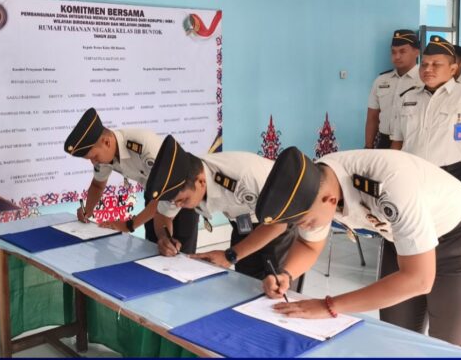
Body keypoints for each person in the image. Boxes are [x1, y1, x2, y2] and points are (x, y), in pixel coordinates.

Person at [255, 146, 461, 351]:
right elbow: (308, 244)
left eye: (306, 222)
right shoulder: (319, 182)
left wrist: (329, 306)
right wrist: (286, 274)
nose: (305, 228)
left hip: (460, 238)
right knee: (395, 332)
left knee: (450, 346)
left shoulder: (389, 184)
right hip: (400, 239)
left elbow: (419, 279)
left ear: (329, 200)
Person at [143, 135, 302, 285]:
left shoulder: (243, 178)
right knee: (245, 282)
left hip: (279, 223)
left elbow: (278, 225)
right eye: (174, 201)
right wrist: (164, 237)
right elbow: (162, 215)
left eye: (183, 200)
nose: (177, 205)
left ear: (201, 182)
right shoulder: (180, 181)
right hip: (243, 222)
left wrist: (229, 256)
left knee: (274, 285)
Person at [63, 108, 199, 253]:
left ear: (106, 142)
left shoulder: (144, 147)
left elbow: (164, 193)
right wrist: (88, 209)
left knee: (180, 253)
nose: (93, 162)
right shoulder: (105, 156)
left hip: (182, 197)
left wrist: (128, 225)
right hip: (155, 197)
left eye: (94, 156)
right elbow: (97, 185)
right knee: (153, 250)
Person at [390, 35, 461, 203]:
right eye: (424, 64)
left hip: (454, 176)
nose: (428, 69)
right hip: (411, 175)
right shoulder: (407, 97)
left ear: (453, 69)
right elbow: (397, 142)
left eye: (436, 64)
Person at [365, 30, 422, 149]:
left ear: (416, 52)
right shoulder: (381, 80)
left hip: (412, 142)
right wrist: (368, 146)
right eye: (393, 52)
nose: (397, 56)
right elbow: (372, 117)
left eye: (402, 51)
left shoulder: (423, 81)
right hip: (384, 141)